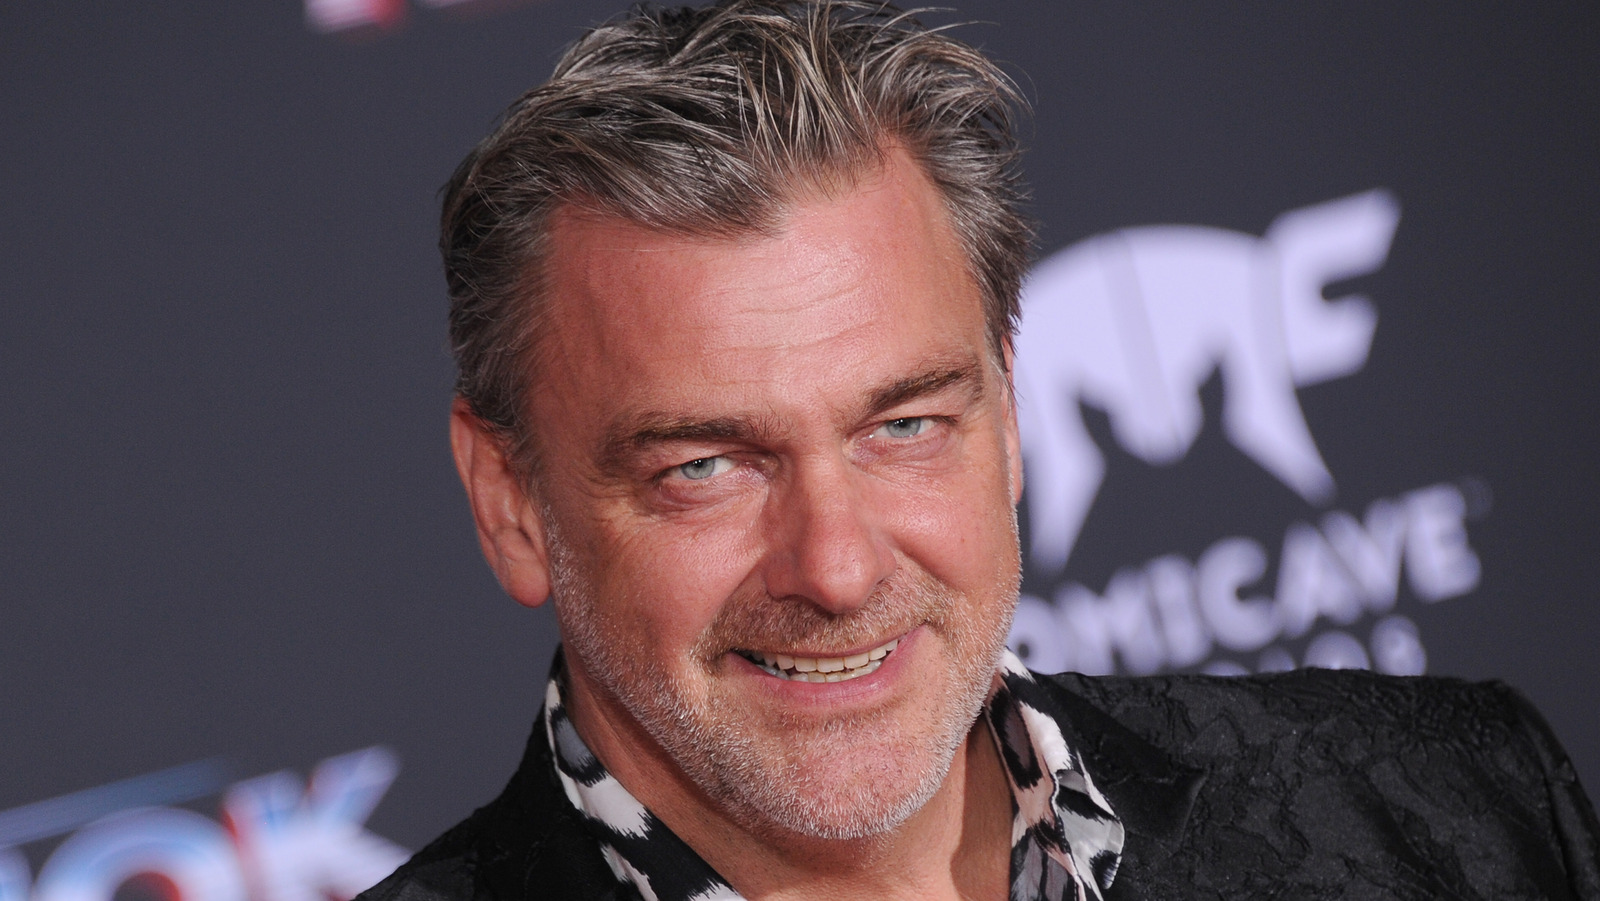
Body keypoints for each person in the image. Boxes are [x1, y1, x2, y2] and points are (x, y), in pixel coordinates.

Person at [357, 2, 1600, 898]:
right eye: (704, 467)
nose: (836, 568)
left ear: (1006, 411)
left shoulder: (1453, 812)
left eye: (902, 425)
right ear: (510, 500)